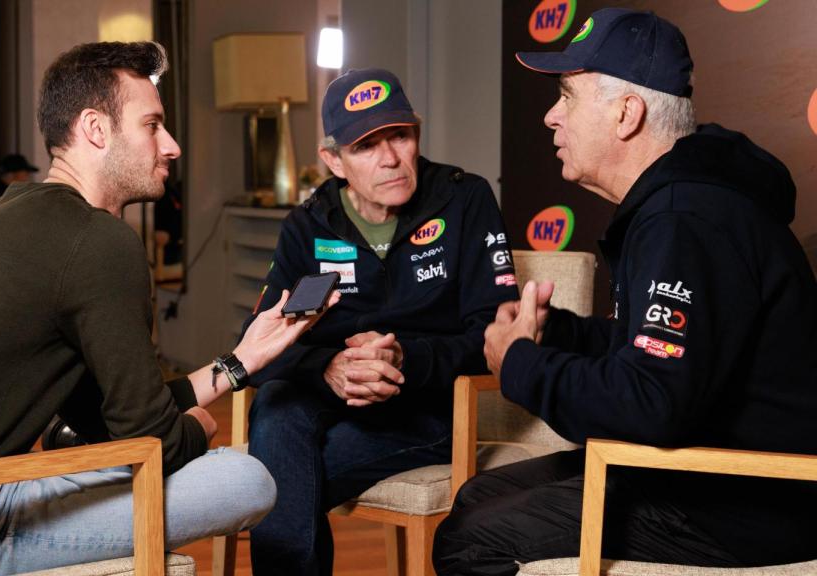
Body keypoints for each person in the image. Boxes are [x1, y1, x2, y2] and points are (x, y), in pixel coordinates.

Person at [0, 41, 337, 575]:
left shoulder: (6, 223)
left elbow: (114, 416)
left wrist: (240, 362)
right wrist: (200, 429)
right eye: (152, 125)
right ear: (95, 129)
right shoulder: (98, 242)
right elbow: (154, 443)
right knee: (246, 478)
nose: (172, 146)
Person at [433, 9, 817, 575]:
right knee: (475, 496)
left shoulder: (685, 218)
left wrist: (520, 365)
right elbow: (664, 354)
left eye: (567, 97)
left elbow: (652, 403)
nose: (550, 116)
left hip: (745, 500)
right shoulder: (680, 203)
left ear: (626, 113)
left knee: (468, 540)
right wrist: (557, 333)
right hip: (702, 468)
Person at [246, 67, 520, 575]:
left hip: (427, 407)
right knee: (277, 409)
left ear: (417, 135)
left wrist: (404, 358)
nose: (390, 158)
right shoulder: (307, 224)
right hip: (326, 397)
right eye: (366, 146)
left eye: (400, 136)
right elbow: (257, 348)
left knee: (276, 480)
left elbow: (496, 334)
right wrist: (329, 367)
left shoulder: (465, 198)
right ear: (334, 160)